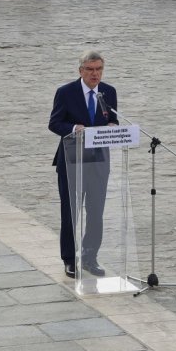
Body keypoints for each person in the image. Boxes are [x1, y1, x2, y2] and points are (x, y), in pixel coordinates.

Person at [47, 50, 118, 279]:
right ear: (81, 71)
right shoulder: (66, 92)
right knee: (70, 212)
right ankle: (69, 259)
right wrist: (73, 129)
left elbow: (112, 118)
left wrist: (113, 126)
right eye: (90, 69)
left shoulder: (108, 92)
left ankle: (89, 256)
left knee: (96, 212)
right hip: (71, 161)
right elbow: (54, 123)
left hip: (98, 162)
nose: (94, 74)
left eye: (98, 69)